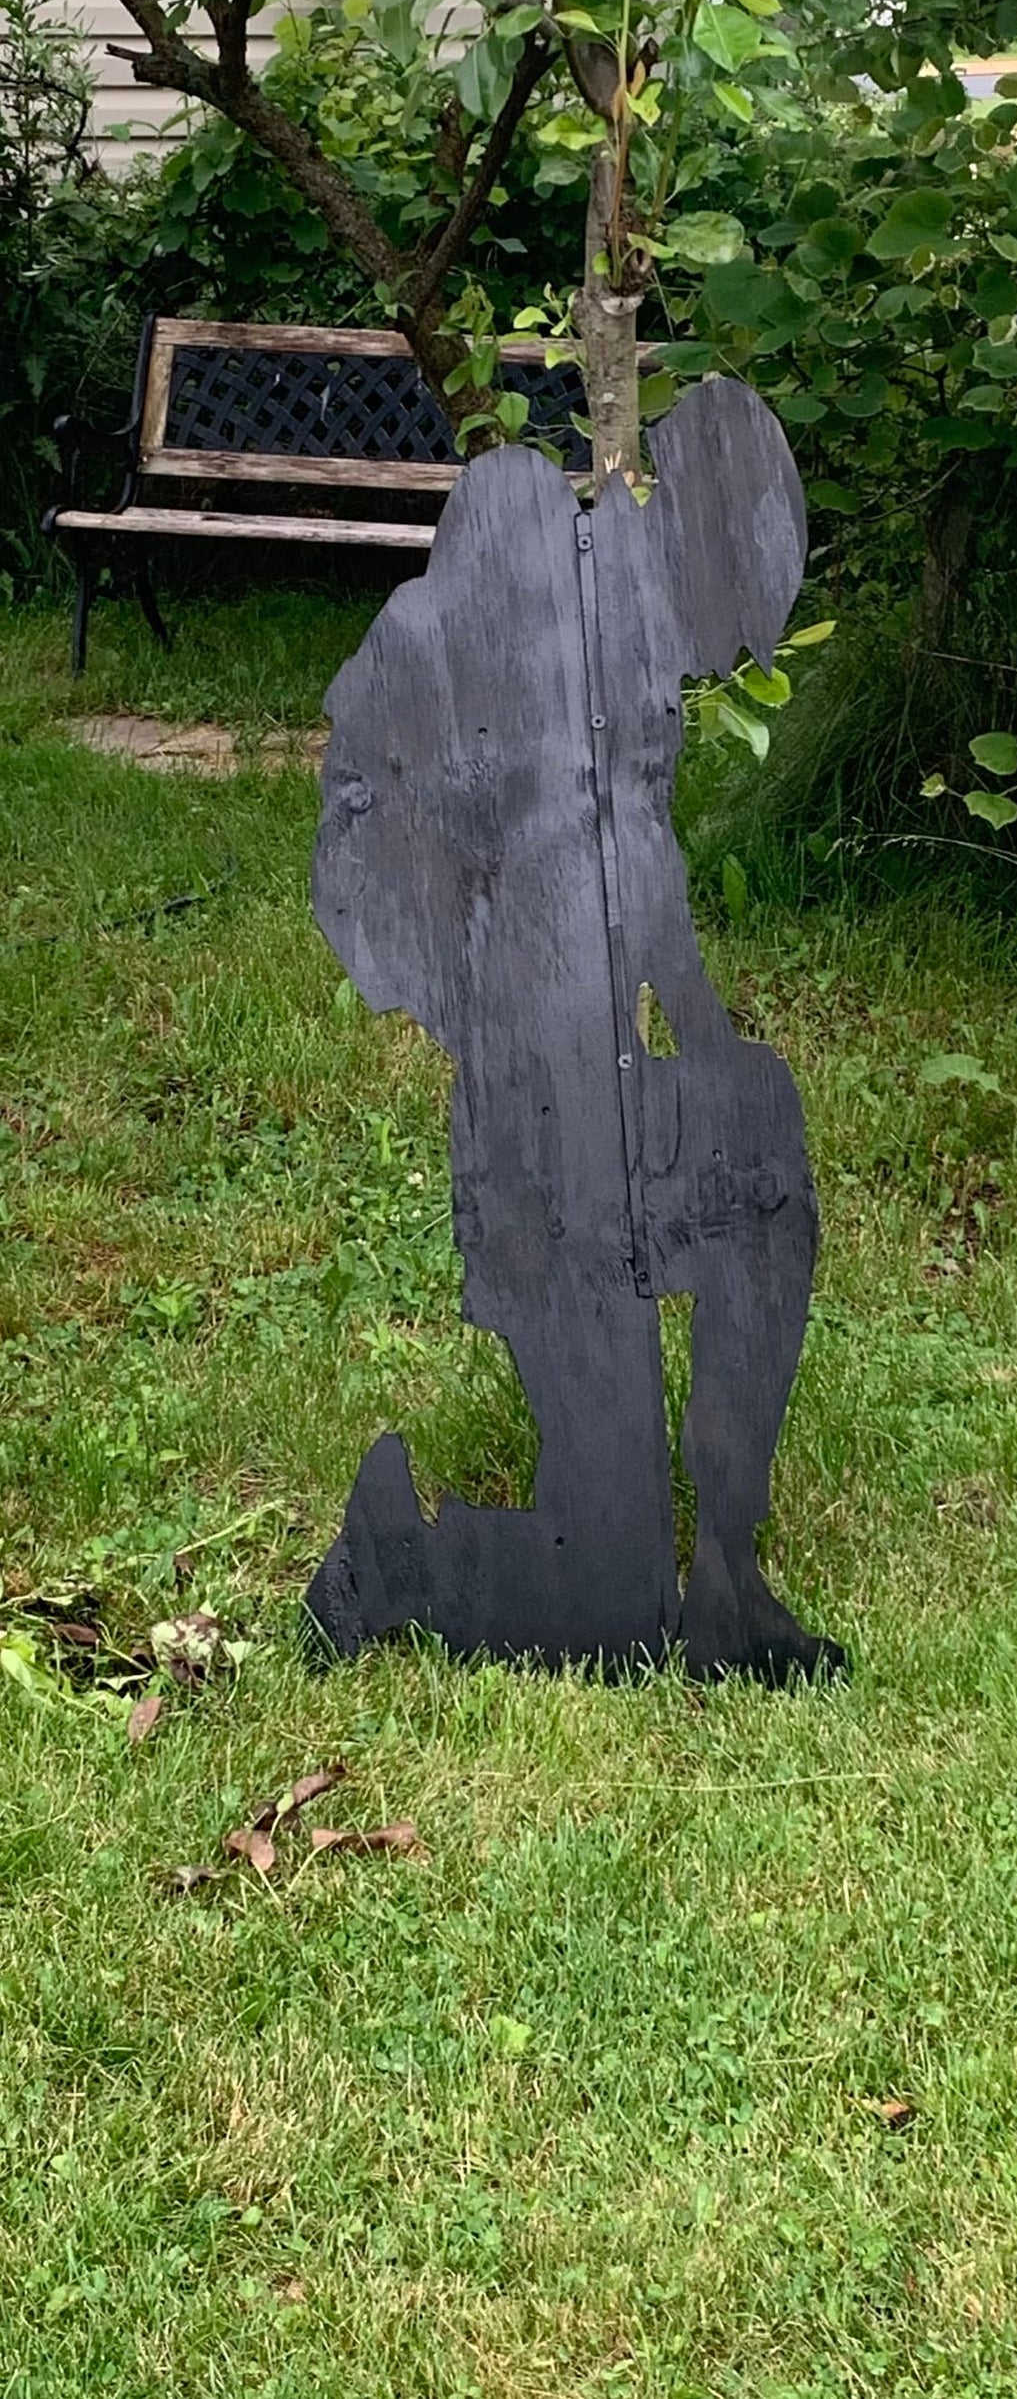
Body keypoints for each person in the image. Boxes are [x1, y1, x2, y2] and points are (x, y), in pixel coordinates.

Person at [306, 377, 842, 1681]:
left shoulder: (632, 646)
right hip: (537, 1143)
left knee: (762, 1144)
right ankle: (400, 1557)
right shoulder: (518, 612)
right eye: (740, 617)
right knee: (602, 1608)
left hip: (608, 1102)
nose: (731, 656)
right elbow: (512, 908)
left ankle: (726, 1571)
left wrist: (708, 1048)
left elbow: (639, 862)